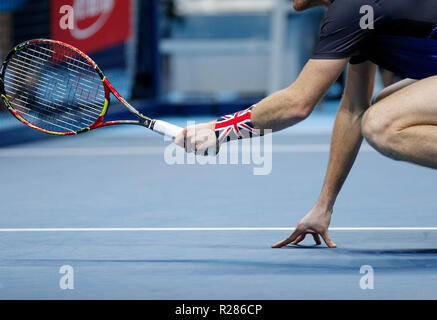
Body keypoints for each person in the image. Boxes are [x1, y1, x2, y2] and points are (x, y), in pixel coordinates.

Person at [174, 0, 437, 248]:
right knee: (385, 103)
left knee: (382, 124)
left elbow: (297, 104)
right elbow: (353, 109)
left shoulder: (351, 9)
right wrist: (323, 207)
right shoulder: (361, 14)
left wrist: (219, 130)